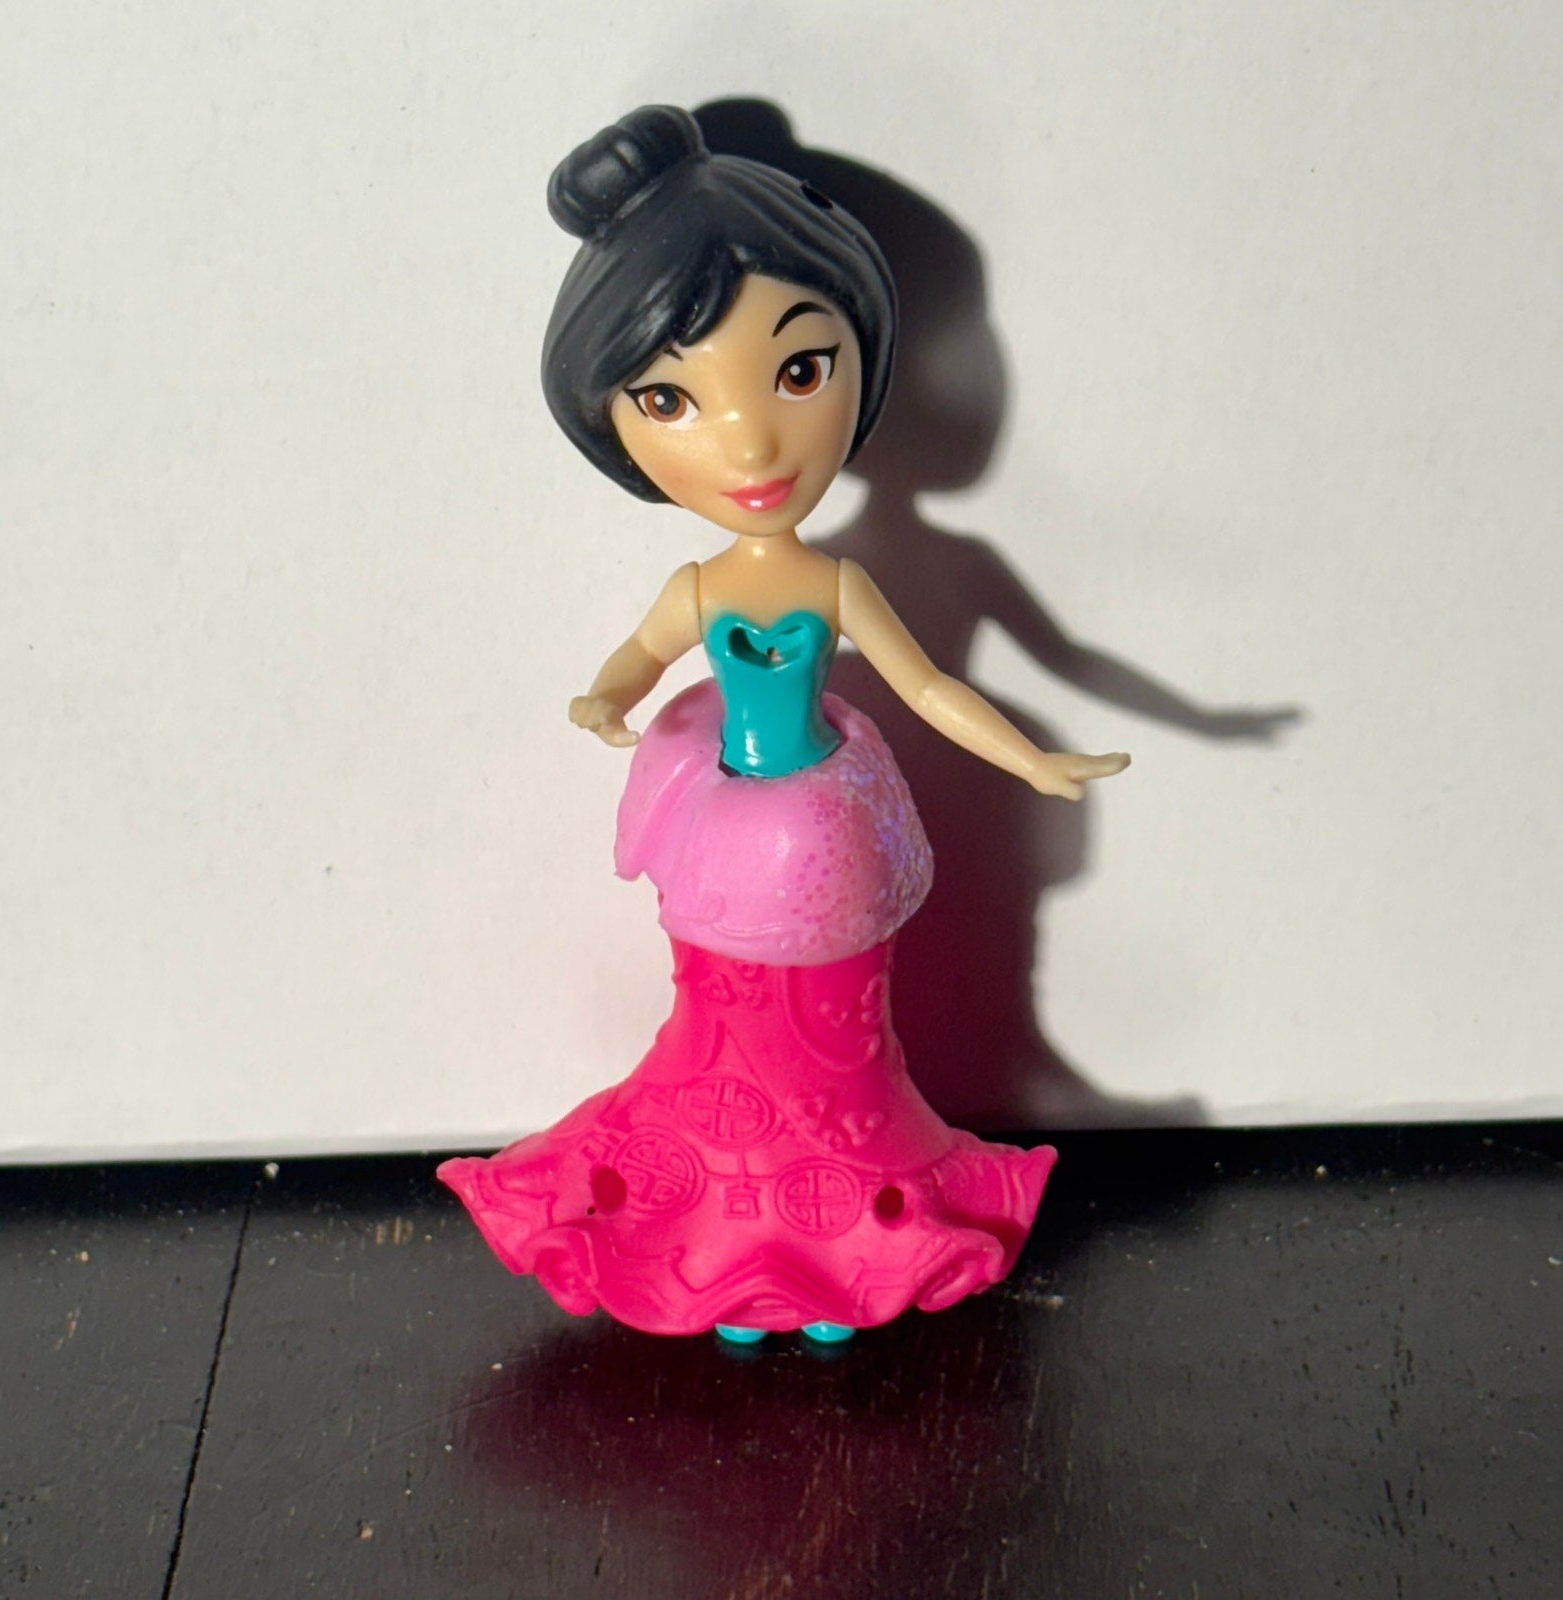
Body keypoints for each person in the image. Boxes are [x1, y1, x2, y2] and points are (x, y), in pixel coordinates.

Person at [440, 107, 1128, 1344]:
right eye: (671, 397)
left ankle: (843, 1241)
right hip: (725, 841)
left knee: (839, 1060)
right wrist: (604, 698)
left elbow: (928, 687)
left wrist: (1031, 755)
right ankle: (726, 1246)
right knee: (725, 1046)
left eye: (798, 371)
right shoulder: (701, 589)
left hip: (826, 831)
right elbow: (634, 659)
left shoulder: (836, 582)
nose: (751, 440)